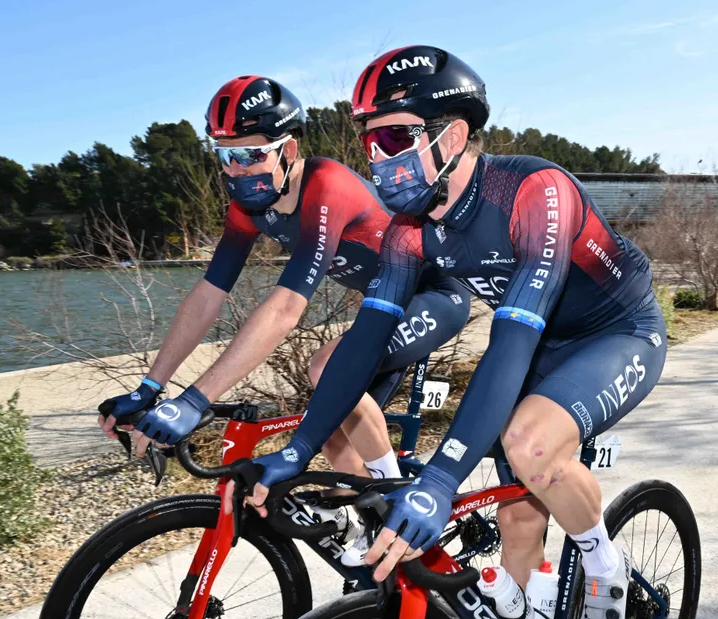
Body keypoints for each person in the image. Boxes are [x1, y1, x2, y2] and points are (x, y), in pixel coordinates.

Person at [234, 46, 668, 619]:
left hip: (614, 332)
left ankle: (602, 566)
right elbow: (362, 348)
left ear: (453, 134)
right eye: (367, 140)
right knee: (517, 516)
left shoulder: (533, 193)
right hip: (543, 346)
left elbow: (513, 339)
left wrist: (439, 477)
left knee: (531, 446)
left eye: (393, 137)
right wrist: (299, 449)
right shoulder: (408, 229)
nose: (377, 157)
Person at [97, 75, 470, 515]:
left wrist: (195, 400)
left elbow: (285, 308)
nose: (235, 170)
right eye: (225, 156)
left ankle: (398, 505)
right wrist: (149, 386)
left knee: (326, 366)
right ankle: (365, 529)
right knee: (330, 432)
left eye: (249, 155)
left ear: (288, 150)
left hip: (436, 294)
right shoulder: (249, 207)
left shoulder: (326, 186)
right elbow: (207, 295)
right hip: (382, 309)